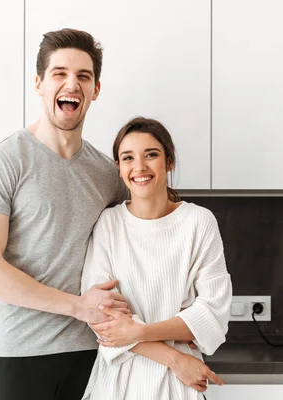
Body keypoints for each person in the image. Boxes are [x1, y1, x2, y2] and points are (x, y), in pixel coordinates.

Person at [0, 28, 130, 400]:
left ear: (95, 90)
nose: (71, 83)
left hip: (92, 355)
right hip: (18, 356)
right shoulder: (5, 161)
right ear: (39, 84)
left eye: (83, 76)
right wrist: (78, 307)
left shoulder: (107, 174)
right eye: (60, 73)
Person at [80, 117, 233, 399]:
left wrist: (136, 332)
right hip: (122, 380)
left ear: (169, 161)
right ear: (119, 168)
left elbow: (213, 312)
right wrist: (174, 357)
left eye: (151, 155)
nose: (139, 167)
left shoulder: (198, 222)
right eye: (128, 158)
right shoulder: (109, 224)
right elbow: (102, 316)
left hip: (176, 385)